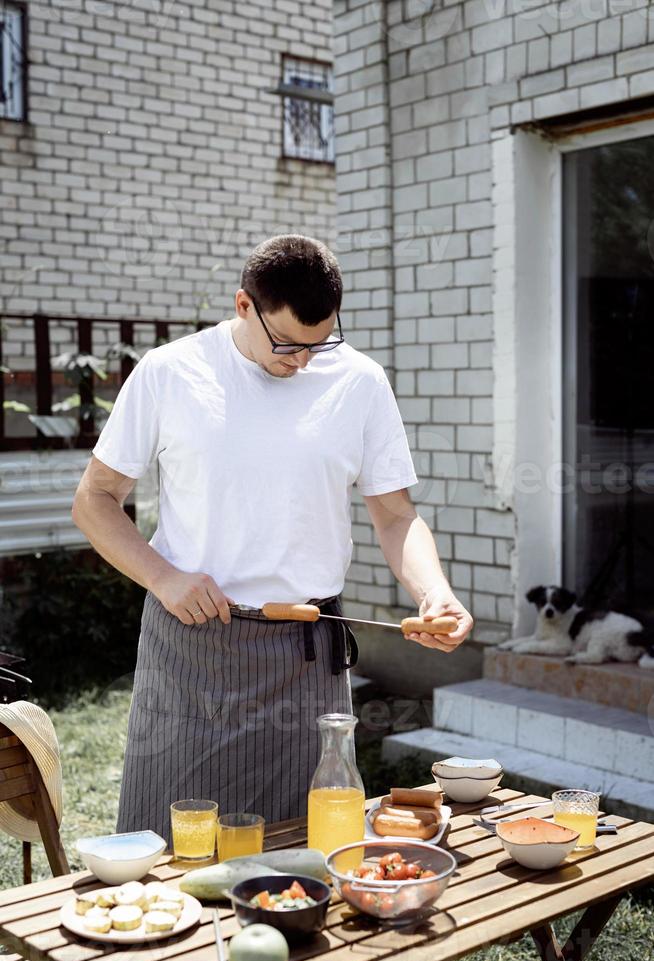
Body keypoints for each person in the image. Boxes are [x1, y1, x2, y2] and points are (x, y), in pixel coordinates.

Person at [72, 235, 473, 844]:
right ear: (242, 306)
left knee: (302, 848)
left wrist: (434, 592)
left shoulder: (360, 381)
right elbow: (95, 502)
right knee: (176, 846)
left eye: (321, 342)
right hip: (192, 648)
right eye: (287, 344)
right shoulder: (171, 372)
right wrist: (162, 576)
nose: (304, 361)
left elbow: (394, 515)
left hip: (306, 653)